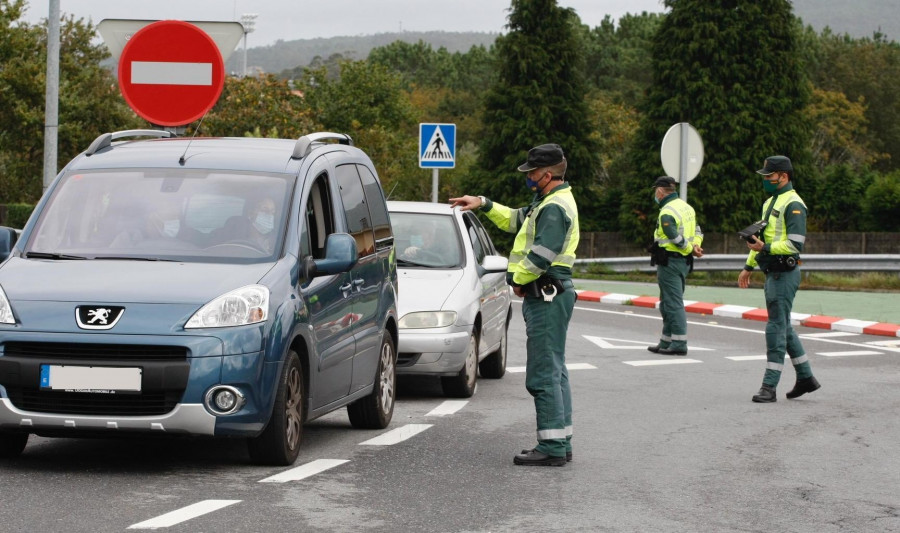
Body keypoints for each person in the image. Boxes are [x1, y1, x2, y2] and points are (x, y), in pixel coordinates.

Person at [450, 143, 578, 467]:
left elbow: (542, 256)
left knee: (543, 372)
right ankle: (560, 441)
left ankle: (551, 448)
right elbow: (513, 220)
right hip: (552, 293)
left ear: (547, 174)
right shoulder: (548, 202)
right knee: (555, 369)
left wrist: (517, 279)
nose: (529, 176)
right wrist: (483, 203)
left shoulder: (553, 208)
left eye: (533, 173)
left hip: (546, 293)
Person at [738, 155, 821, 403]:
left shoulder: (794, 204)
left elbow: (795, 245)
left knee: (775, 327)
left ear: (783, 176)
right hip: (771, 271)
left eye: (768, 176)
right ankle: (806, 378)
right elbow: (758, 240)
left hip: (784, 272)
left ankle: (769, 387)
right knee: (783, 326)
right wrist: (748, 266)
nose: (765, 180)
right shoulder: (769, 202)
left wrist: (765, 248)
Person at [647, 176, 704, 356]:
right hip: (682, 262)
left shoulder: (667, 211)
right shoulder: (686, 207)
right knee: (667, 302)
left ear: (660, 191)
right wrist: (695, 245)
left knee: (672, 303)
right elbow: (697, 230)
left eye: (656, 191)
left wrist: (688, 248)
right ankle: (666, 341)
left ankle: (679, 343)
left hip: (670, 261)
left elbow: (672, 235)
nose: (656, 194)